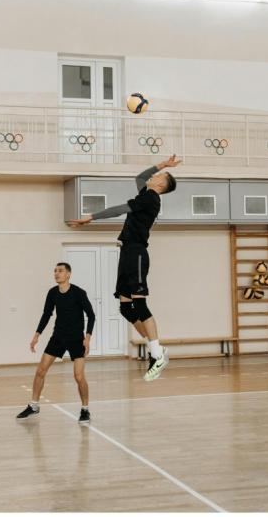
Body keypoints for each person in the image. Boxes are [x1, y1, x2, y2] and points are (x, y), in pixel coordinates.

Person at [66, 155, 179, 381]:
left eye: (158, 176)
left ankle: (157, 354)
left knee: (140, 303)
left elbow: (119, 209)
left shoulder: (151, 198)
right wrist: (163, 165)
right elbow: (141, 176)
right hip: (127, 252)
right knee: (126, 309)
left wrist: (91, 217)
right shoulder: (146, 193)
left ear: (160, 184)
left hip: (137, 253)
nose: (153, 176)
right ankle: (155, 348)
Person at [17, 262, 95, 423]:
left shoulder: (79, 293)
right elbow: (46, 314)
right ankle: (34, 406)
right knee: (40, 371)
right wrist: (36, 335)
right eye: (55, 271)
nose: (56, 274)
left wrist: (87, 338)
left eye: (60, 271)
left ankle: (85, 409)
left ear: (68, 274)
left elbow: (91, 315)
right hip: (58, 337)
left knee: (79, 377)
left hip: (76, 339)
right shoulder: (52, 293)